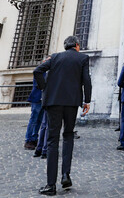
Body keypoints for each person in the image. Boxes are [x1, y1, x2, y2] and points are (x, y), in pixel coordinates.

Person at [33, 36, 92, 196]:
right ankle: (66, 175)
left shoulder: (55, 56)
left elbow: (37, 71)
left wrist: (45, 88)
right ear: (77, 46)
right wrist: (87, 100)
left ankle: (50, 185)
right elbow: (86, 79)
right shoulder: (83, 58)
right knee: (68, 136)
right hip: (72, 102)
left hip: (53, 102)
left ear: (65, 46)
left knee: (52, 140)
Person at [25, 77, 45, 150]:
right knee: (33, 120)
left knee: (39, 121)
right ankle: (28, 140)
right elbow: (39, 84)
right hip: (37, 98)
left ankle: (34, 138)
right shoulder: (40, 70)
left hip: (44, 100)